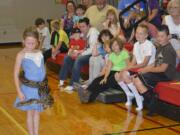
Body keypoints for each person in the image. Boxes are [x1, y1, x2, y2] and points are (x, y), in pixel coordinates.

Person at [14, 27, 53, 135]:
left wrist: (45, 87)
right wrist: (19, 91)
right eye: (28, 43)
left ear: (37, 42)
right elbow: (16, 74)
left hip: (39, 89)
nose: (30, 46)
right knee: (30, 113)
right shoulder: (21, 55)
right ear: (23, 42)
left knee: (37, 113)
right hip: (28, 90)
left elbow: (42, 69)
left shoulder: (39, 53)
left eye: (33, 43)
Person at [133, 25, 177, 115]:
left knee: (137, 80)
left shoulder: (168, 49)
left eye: (162, 36)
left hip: (166, 75)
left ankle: (153, 101)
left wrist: (147, 70)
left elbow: (162, 68)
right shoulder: (161, 47)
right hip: (159, 73)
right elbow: (156, 63)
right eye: (158, 36)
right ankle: (152, 100)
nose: (159, 39)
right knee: (136, 78)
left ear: (168, 37)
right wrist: (145, 69)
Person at [115, 24, 156, 111]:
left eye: (141, 33)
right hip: (138, 67)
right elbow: (133, 61)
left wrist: (128, 69)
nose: (137, 35)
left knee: (125, 74)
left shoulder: (149, 45)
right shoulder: (136, 44)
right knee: (117, 75)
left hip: (147, 69)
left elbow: (144, 63)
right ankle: (132, 95)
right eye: (137, 33)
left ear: (146, 35)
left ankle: (138, 97)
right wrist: (125, 68)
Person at [76, 37, 130, 103]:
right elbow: (109, 68)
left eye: (116, 45)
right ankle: (86, 92)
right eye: (112, 45)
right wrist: (105, 77)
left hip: (119, 73)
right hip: (111, 72)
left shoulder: (124, 53)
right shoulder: (111, 55)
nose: (114, 47)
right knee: (97, 80)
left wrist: (121, 72)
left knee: (102, 84)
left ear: (120, 45)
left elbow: (128, 66)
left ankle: (89, 98)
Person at [59, 17, 99, 92]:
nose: (81, 29)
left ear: (88, 26)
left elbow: (92, 49)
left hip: (95, 54)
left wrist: (79, 53)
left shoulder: (93, 32)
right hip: (86, 52)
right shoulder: (82, 34)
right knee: (67, 57)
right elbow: (73, 43)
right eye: (80, 27)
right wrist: (72, 52)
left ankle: (73, 84)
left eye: (83, 26)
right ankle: (69, 79)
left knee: (79, 59)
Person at [59, 27, 86, 92]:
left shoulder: (83, 41)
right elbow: (70, 51)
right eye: (75, 34)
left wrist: (77, 52)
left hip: (78, 58)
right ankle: (62, 79)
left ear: (80, 34)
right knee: (66, 58)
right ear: (72, 35)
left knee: (75, 61)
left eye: (78, 33)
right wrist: (71, 53)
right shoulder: (72, 41)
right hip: (72, 57)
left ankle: (72, 84)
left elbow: (84, 50)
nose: (76, 35)